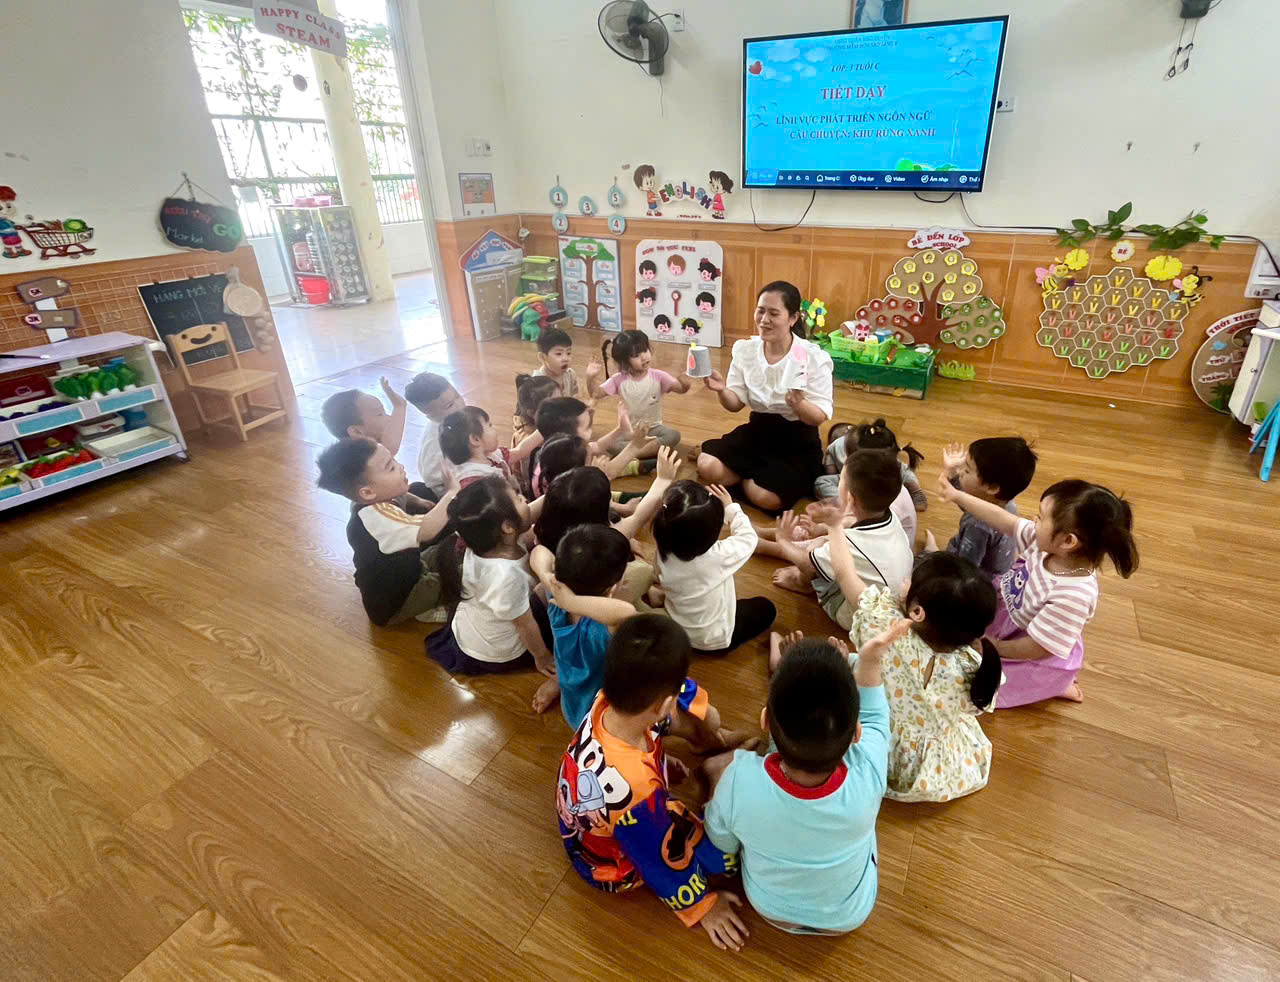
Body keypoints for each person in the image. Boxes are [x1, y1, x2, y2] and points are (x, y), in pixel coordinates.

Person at [556, 615, 750, 951]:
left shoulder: (605, 702)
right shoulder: (636, 793)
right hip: (611, 865)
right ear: (665, 705)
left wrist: (656, 764)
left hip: (598, 818)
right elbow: (658, 859)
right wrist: (703, 906)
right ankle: (715, 771)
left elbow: (632, 749)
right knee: (729, 860)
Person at [702, 621, 903, 936]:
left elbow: (722, 842)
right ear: (856, 734)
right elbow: (876, 717)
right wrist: (868, 661)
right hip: (849, 915)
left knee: (724, 772)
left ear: (765, 720)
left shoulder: (738, 780)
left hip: (770, 908)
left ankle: (780, 675)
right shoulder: (869, 771)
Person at [808, 510, 1004, 800]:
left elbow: (844, 572)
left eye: (910, 580)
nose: (903, 581)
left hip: (877, 742)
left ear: (917, 611)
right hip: (935, 766)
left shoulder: (884, 622)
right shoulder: (975, 665)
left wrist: (835, 527)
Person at [936, 473, 1139, 706]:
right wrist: (957, 495)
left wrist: (995, 646)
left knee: (976, 687)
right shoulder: (1045, 543)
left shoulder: (1074, 596)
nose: (1034, 521)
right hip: (1012, 616)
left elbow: (1037, 647)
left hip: (1030, 649)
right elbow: (1004, 519)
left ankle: (1058, 684)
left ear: (1068, 541)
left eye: (1041, 517)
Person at [697, 281, 834, 512]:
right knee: (707, 466)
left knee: (769, 500)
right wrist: (721, 390)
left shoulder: (812, 357)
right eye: (760, 311)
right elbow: (735, 404)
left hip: (797, 440)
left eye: (774, 313)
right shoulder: (746, 350)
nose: (764, 319)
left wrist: (799, 404)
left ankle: (746, 480)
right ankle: (751, 479)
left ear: (793, 318)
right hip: (758, 431)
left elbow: (818, 417)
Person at [426, 476, 559, 713]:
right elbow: (525, 626)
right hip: (499, 651)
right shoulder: (506, 576)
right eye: (518, 498)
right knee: (552, 602)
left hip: (474, 628)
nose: (525, 499)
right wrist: (542, 657)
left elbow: (526, 519)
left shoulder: (487, 543)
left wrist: (556, 490)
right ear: (508, 527)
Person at [768, 450, 915, 631]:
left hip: (860, 619)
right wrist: (821, 529)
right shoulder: (888, 515)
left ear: (850, 498)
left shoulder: (853, 543)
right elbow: (851, 521)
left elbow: (808, 564)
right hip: (894, 599)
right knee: (825, 542)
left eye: (840, 481)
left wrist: (783, 540)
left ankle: (801, 583)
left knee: (815, 548)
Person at [315, 437, 456, 626]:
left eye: (394, 460)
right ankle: (425, 609)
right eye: (391, 468)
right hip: (398, 600)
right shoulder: (379, 520)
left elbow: (402, 496)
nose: (401, 467)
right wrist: (452, 492)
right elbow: (428, 530)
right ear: (367, 492)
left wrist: (417, 501)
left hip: (408, 568)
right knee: (463, 577)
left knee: (451, 550)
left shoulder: (371, 499)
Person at [532, 447, 681, 609]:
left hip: (565, 594)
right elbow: (639, 516)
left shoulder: (542, 532)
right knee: (642, 568)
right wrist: (663, 479)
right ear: (598, 512)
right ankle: (647, 592)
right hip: (602, 601)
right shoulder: (605, 539)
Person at [653, 480, 775, 656]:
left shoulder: (662, 550)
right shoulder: (718, 557)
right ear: (712, 533)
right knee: (766, 608)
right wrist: (731, 509)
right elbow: (749, 538)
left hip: (680, 630)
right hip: (715, 641)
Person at [922, 437, 1038, 577]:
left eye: (967, 470)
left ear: (992, 487)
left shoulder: (977, 527)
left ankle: (931, 554)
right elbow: (968, 501)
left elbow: (963, 571)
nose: (960, 472)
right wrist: (952, 473)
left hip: (974, 577)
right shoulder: (1006, 503)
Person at [585, 330, 688, 459]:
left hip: (653, 429)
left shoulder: (658, 376)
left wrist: (685, 382)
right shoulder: (619, 379)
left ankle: (632, 455)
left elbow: (680, 388)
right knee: (611, 445)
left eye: (645, 350)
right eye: (636, 355)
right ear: (624, 361)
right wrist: (590, 378)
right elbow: (596, 394)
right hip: (628, 432)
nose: (644, 357)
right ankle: (647, 455)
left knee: (673, 435)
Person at [405, 372, 466, 498]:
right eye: (449, 405)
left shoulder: (456, 421)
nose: (459, 405)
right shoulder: (435, 443)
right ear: (429, 414)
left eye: (458, 396)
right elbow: (432, 478)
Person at [321, 378, 409, 458]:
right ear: (356, 431)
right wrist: (399, 407)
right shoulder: (361, 459)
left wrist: (400, 406)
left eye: (384, 412)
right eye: (380, 414)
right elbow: (389, 448)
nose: (390, 418)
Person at [439, 406, 520, 492]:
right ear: (475, 439)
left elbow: (519, 451)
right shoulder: (476, 483)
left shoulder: (487, 456)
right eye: (490, 425)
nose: (494, 428)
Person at [531, 326, 580, 398]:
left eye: (568, 353)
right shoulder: (536, 384)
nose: (566, 359)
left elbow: (575, 399)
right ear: (542, 357)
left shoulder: (570, 374)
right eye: (558, 354)